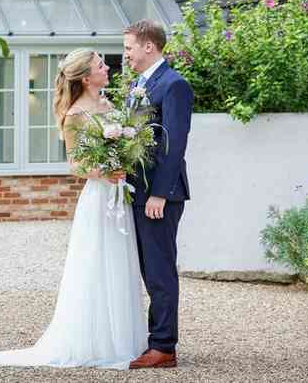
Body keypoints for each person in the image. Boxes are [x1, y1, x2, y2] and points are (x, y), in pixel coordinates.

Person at [0, 48, 147, 370]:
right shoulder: (76, 115)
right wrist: (104, 173)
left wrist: (125, 157)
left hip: (120, 195)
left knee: (121, 264)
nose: (106, 67)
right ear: (85, 77)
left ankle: (124, 339)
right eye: (99, 65)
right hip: (99, 197)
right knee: (97, 265)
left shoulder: (110, 105)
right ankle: (92, 341)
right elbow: (76, 164)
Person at [123, 19, 193, 370]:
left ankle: (164, 346)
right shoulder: (138, 84)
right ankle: (156, 339)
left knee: (160, 271)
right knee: (148, 269)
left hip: (159, 196)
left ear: (148, 46)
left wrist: (160, 195)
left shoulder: (175, 85)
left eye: (129, 48)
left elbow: (174, 144)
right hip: (138, 191)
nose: (126, 55)